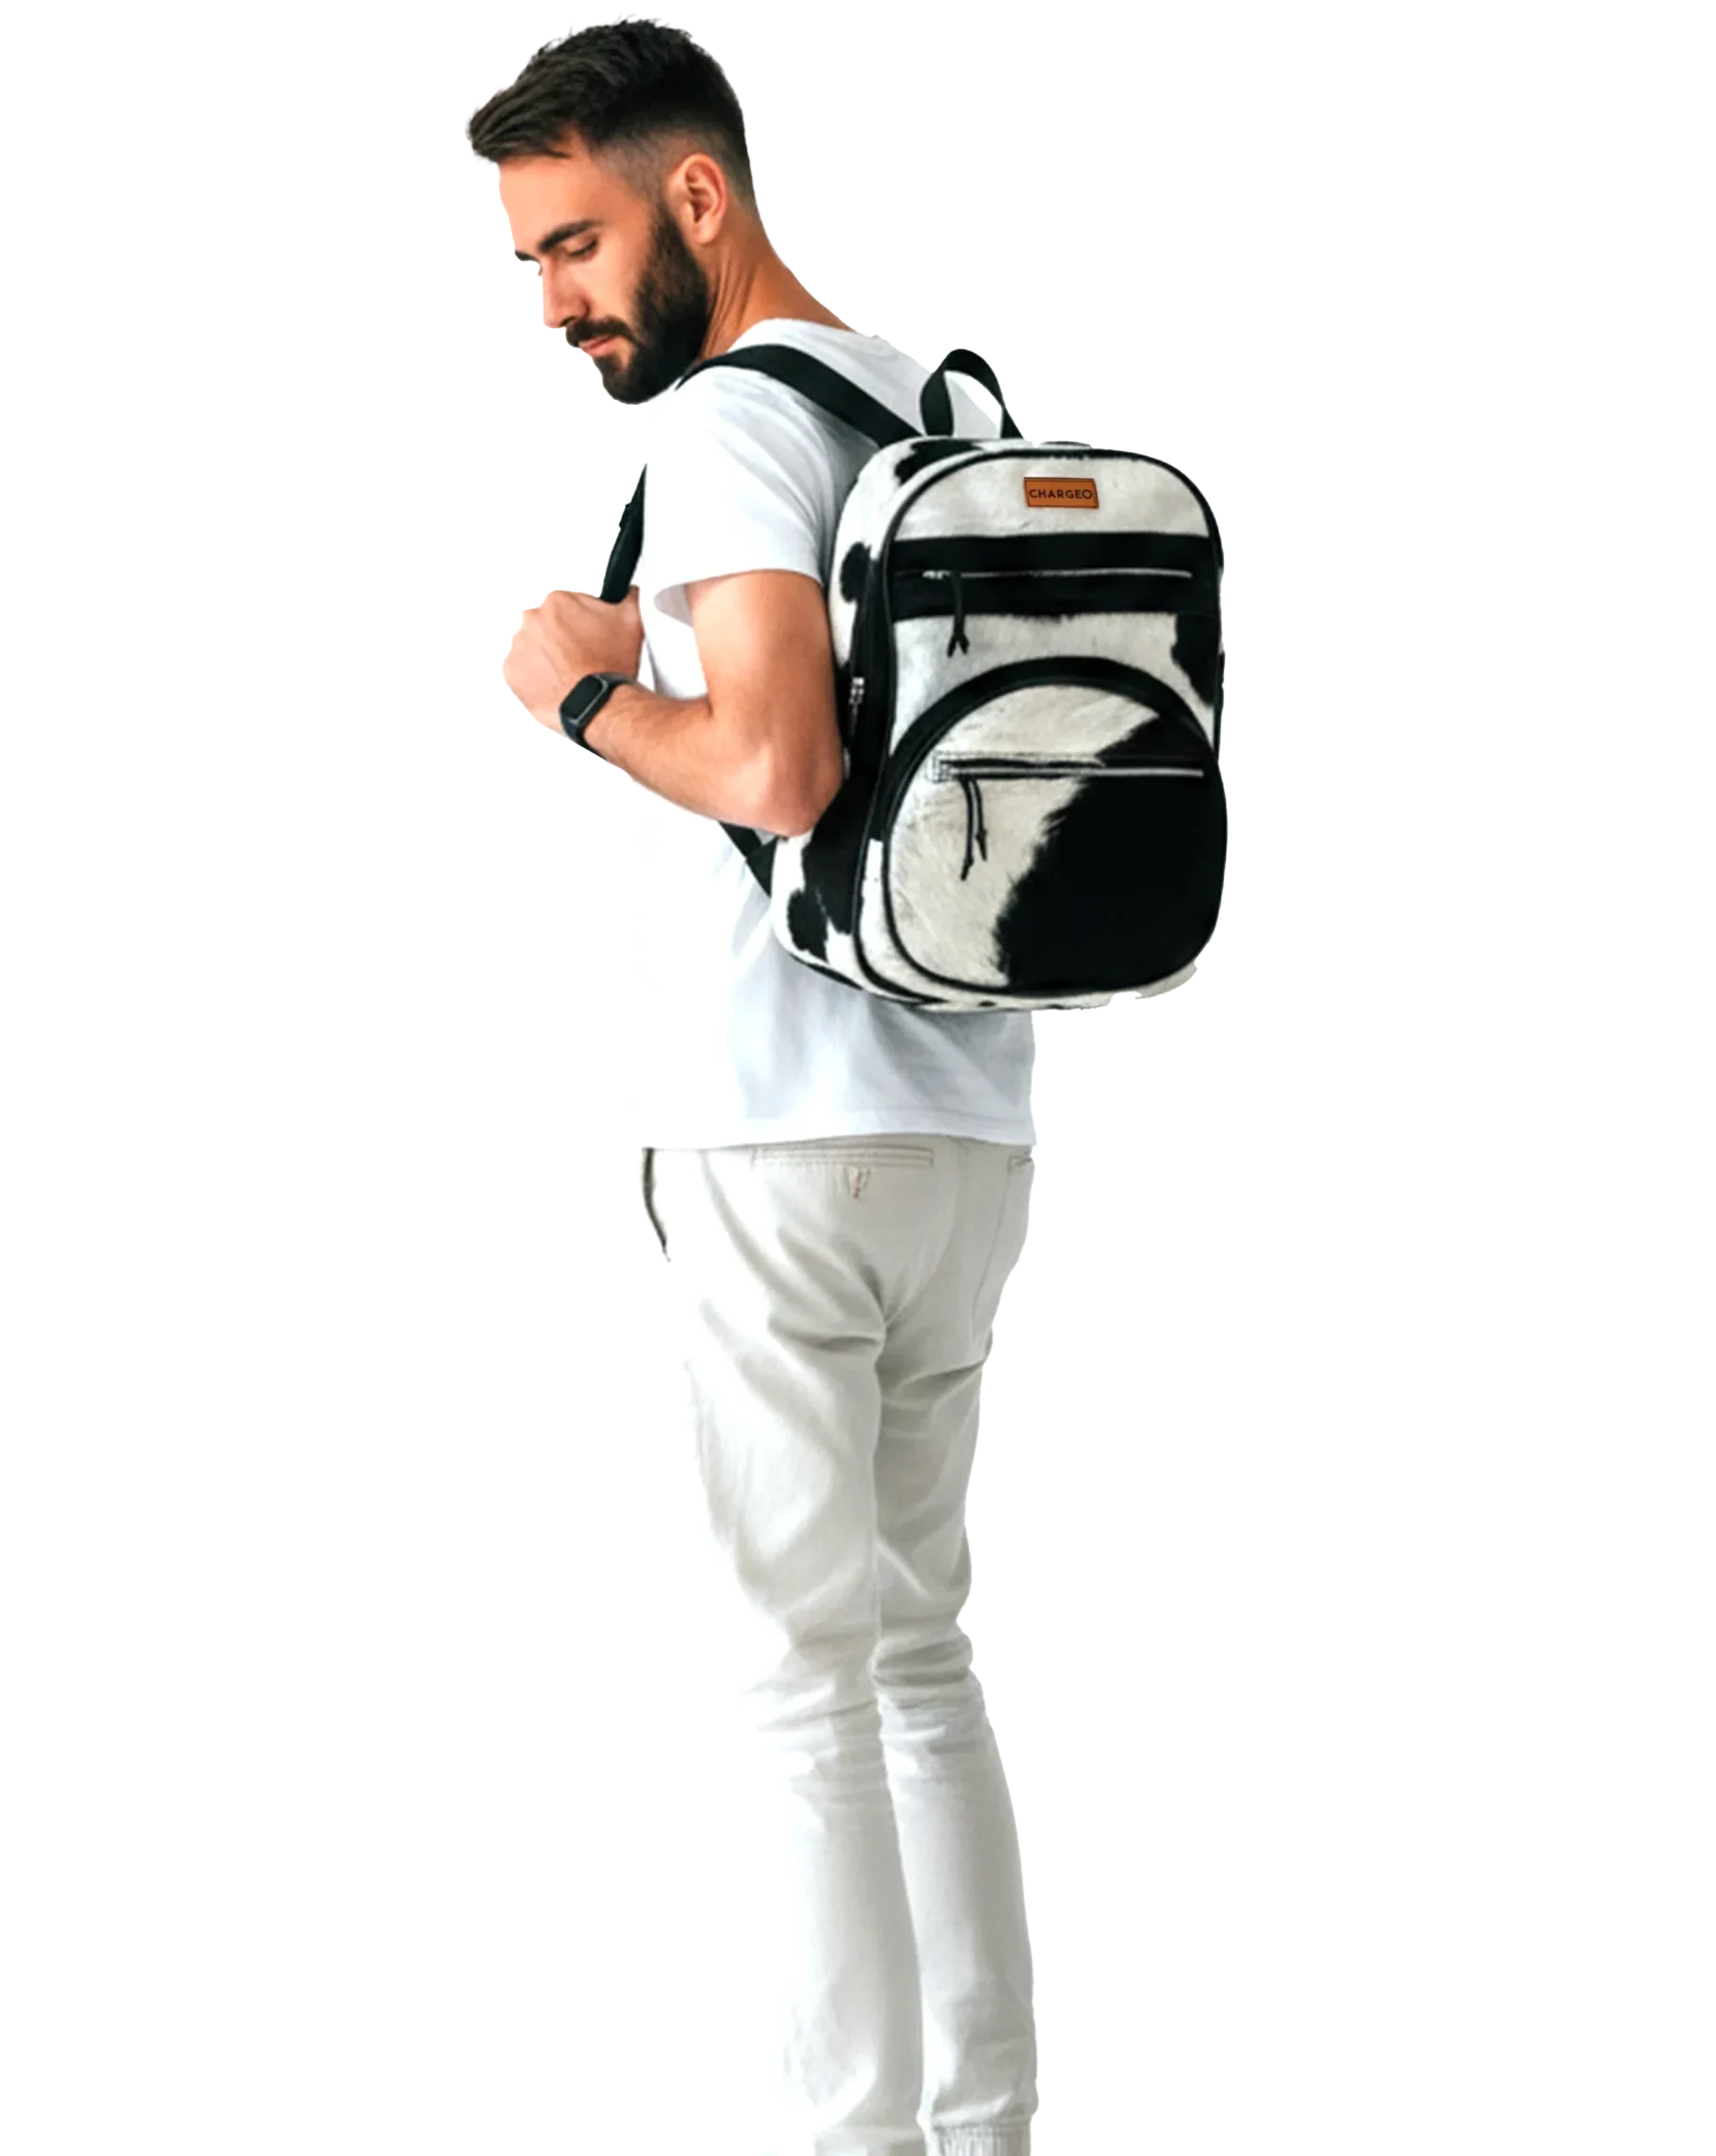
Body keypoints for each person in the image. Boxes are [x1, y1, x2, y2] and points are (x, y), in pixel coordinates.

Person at [469, 21, 1040, 2154]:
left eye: (577, 241)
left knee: (794, 1691)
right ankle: (972, 2135)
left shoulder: (721, 416)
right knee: (914, 1655)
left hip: (767, 1133)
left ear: (695, 196)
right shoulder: (923, 393)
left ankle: (841, 2146)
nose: (555, 299)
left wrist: (584, 692)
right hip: (958, 1121)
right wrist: (672, 647)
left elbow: (779, 771)